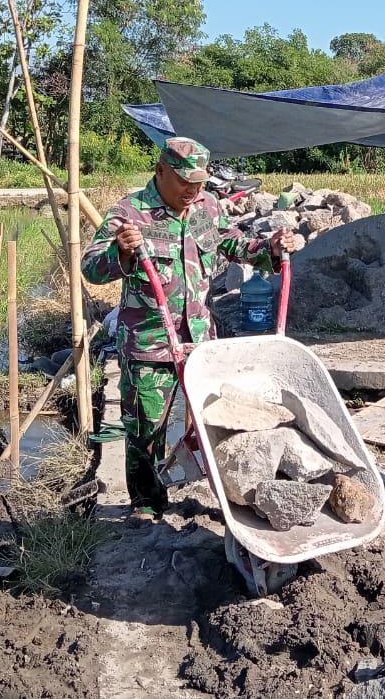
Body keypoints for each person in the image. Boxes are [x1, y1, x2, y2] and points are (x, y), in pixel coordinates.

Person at [82, 137, 295, 522]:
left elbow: (230, 244)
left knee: (208, 420)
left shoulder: (204, 207)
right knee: (146, 427)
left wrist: (272, 249)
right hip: (150, 342)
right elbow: (91, 268)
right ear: (161, 170)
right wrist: (122, 252)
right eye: (185, 183)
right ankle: (148, 505)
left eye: (199, 183)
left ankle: (209, 491)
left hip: (199, 340)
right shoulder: (132, 213)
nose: (193, 192)